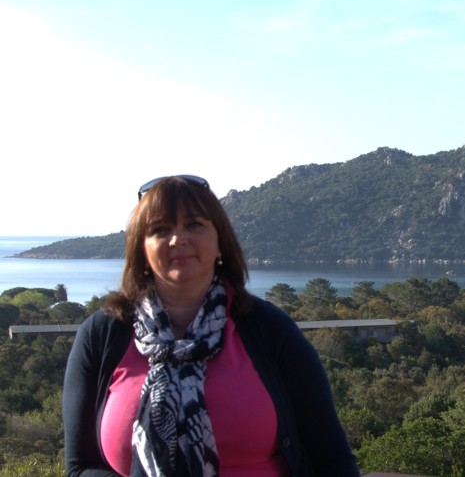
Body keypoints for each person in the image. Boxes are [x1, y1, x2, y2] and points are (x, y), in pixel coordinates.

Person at [63, 175, 360, 476]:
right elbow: (81, 466)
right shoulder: (102, 335)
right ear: (141, 249)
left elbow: (332, 459)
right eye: (160, 229)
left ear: (220, 243)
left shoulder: (270, 330)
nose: (178, 239)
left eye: (194, 224)